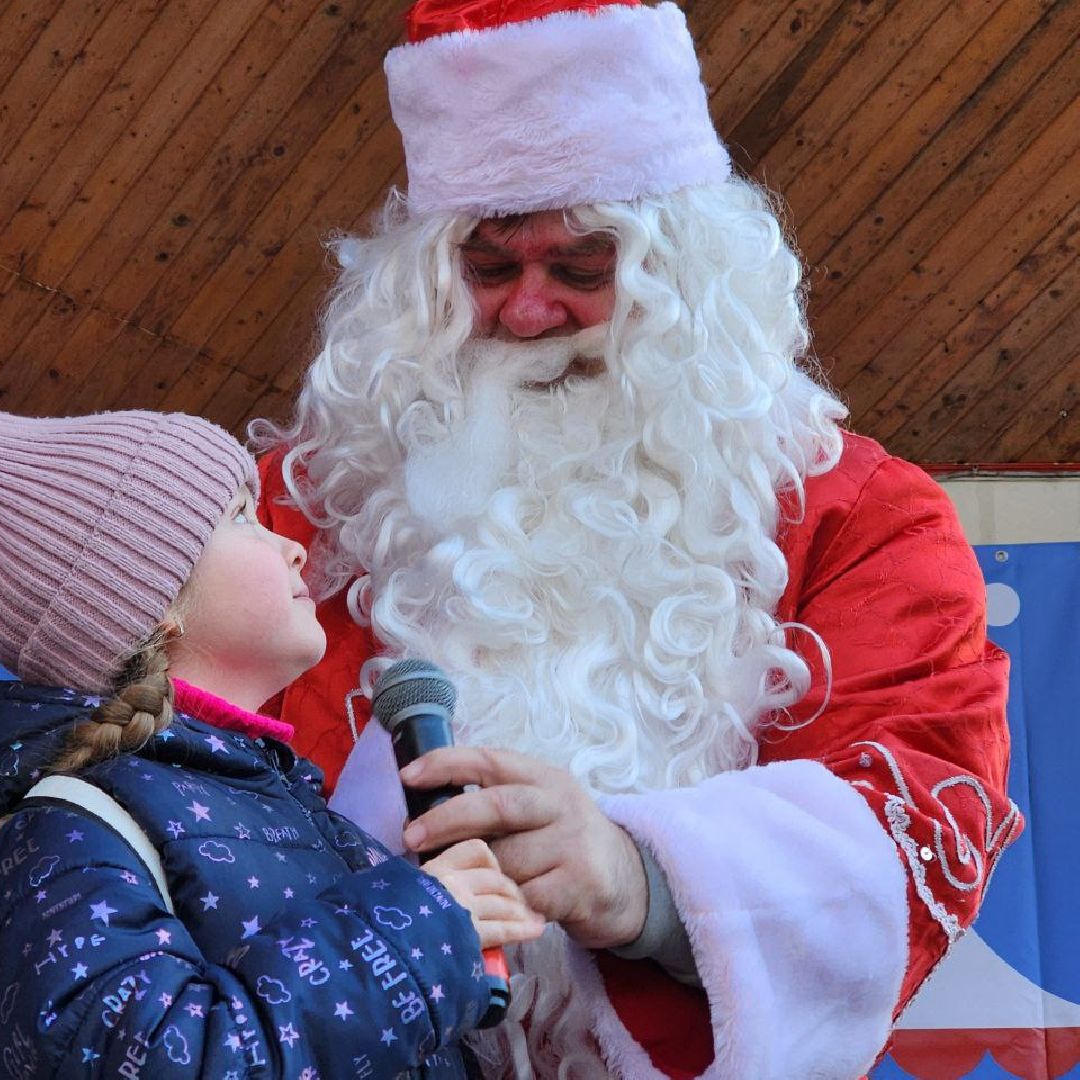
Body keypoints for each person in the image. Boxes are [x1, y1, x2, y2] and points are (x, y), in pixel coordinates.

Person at [249, 0, 1020, 1076]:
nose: (527, 313)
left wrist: (643, 881)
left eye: (581, 269)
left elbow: (916, 809)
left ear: (685, 280)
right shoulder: (289, 515)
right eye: (488, 266)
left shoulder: (865, 518)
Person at [0, 408, 544, 1079]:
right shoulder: (57, 838)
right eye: (241, 518)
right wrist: (414, 936)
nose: (292, 545)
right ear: (150, 596)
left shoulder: (288, 808)